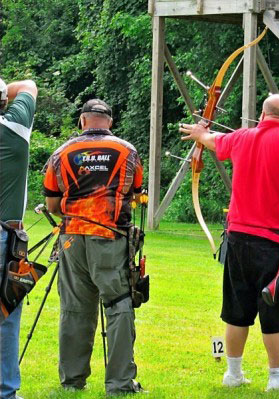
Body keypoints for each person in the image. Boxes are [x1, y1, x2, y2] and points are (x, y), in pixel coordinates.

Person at [179, 94, 279, 392]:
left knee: (237, 308)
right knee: (274, 305)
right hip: (276, 242)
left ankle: (233, 373)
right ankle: (277, 378)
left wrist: (201, 133)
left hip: (238, 238)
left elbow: (214, 140)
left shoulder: (241, 137)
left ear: (261, 115)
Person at [42, 99, 144, 395]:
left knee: (74, 308)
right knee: (119, 303)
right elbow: (135, 193)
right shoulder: (127, 151)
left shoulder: (61, 152)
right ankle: (120, 383)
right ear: (109, 122)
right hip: (111, 237)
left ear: (83, 121)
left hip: (72, 237)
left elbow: (51, 202)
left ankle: (72, 381)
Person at [0, 77, 38, 399]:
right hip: (4, 238)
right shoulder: (14, 131)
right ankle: (6, 392)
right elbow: (29, 84)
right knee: (5, 317)